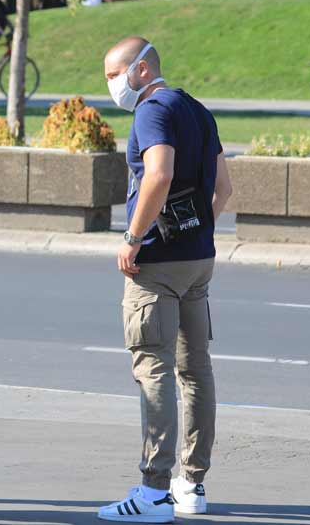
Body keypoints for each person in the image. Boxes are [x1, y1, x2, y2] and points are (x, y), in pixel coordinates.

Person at [98, 37, 232, 523]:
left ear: (140, 70)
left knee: (152, 368)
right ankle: (192, 484)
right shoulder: (197, 109)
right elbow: (223, 189)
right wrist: (198, 231)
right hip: (198, 258)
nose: (111, 85)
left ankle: (153, 492)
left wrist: (133, 238)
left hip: (155, 263)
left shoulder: (151, 111)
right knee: (195, 370)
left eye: (113, 75)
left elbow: (158, 174)